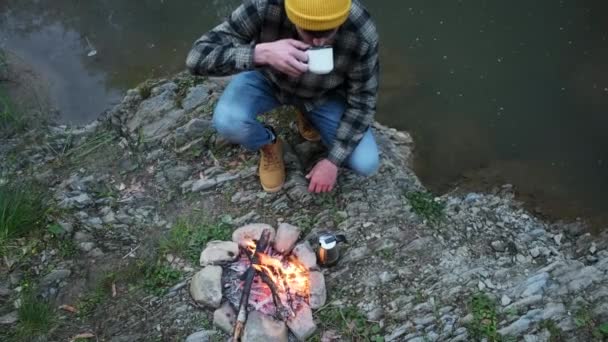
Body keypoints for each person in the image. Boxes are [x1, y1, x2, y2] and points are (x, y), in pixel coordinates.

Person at [186, 0, 380, 193]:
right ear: (292, 16)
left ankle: (306, 112)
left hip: (322, 95)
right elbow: (196, 58)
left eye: (328, 32)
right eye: (310, 33)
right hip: (267, 80)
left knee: (366, 163)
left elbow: (363, 101)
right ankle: (269, 144)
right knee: (227, 121)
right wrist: (259, 53)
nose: (319, 43)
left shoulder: (361, 29)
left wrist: (332, 162)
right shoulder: (265, 6)